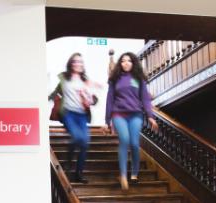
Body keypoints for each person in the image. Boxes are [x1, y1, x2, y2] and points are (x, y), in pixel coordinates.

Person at [105, 52, 159, 191]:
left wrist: (150, 116)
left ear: (133, 63)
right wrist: (107, 120)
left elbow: (145, 99)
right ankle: (123, 175)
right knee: (124, 140)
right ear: (120, 64)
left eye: (129, 61)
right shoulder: (115, 79)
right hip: (118, 114)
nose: (126, 63)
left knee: (134, 144)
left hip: (135, 114)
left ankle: (134, 174)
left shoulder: (139, 78)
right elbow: (110, 99)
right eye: (123, 61)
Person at [50, 53, 100, 183]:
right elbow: (56, 92)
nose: (79, 64)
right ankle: (67, 163)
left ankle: (78, 174)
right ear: (71, 63)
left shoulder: (85, 80)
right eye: (76, 61)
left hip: (82, 115)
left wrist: (92, 100)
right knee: (78, 137)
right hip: (68, 113)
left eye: (81, 62)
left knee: (85, 143)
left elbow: (93, 98)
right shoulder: (64, 78)